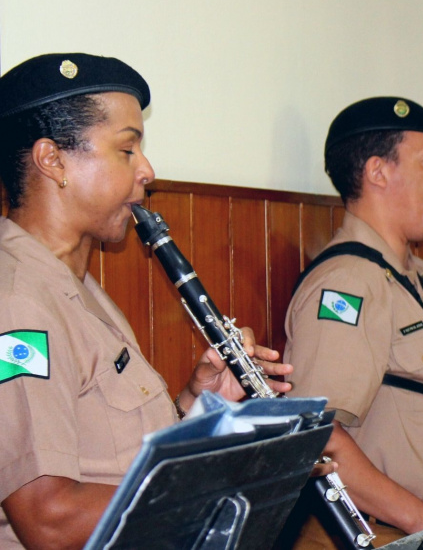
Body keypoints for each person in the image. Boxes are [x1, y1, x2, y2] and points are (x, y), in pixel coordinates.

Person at [0, 53, 295, 549]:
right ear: (53, 161)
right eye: (127, 150)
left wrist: (200, 407)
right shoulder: (18, 302)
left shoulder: (79, 287)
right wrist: (231, 480)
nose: (148, 170)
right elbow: (48, 518)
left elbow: (115, 462)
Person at [283, 96, 423, 547]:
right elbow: (317, 436)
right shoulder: (347, 283)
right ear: (378, 172)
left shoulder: (422, 276)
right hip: (381, 535)